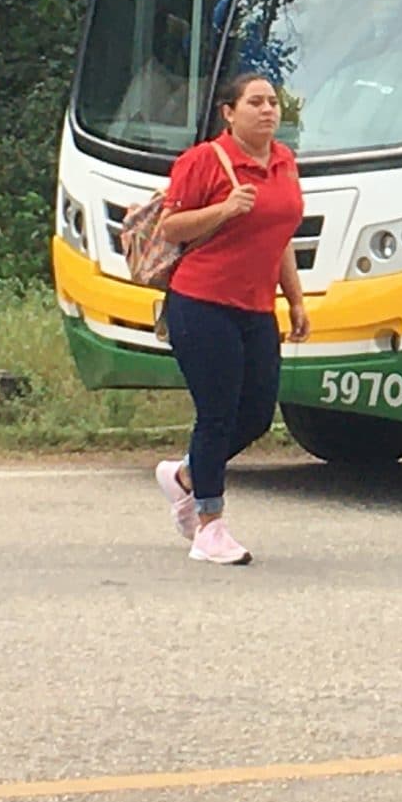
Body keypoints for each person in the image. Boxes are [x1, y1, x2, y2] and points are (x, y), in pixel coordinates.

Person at [149, 72, 309, 565]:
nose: (268, 110)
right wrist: (223, 210)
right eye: (255, 102)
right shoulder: (203, 161)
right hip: (201, 301)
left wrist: (296, 299)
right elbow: (170, 226)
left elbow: (280, 235)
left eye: (273, 102)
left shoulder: (285, 162)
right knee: (217, 412)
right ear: (229, 112)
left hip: (257, 306)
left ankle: (186, 476)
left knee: (257, 413)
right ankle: (209, 525)